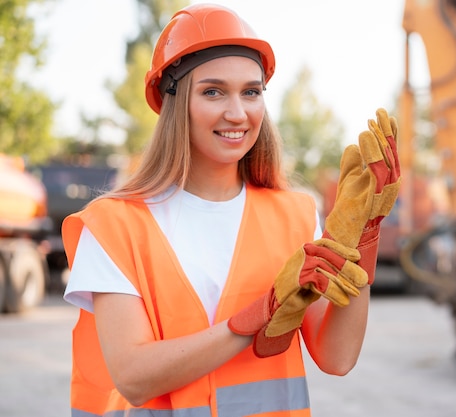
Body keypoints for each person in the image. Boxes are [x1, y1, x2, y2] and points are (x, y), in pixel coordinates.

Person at [62, 3, 400, 417]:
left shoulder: (293, 215)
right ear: (174, 102)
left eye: (251, 91)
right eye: (213, 91)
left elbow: (337, 357)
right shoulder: (114, 225)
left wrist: (364, 234)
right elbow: (134, 378)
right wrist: (260, 316)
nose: (237, 113)